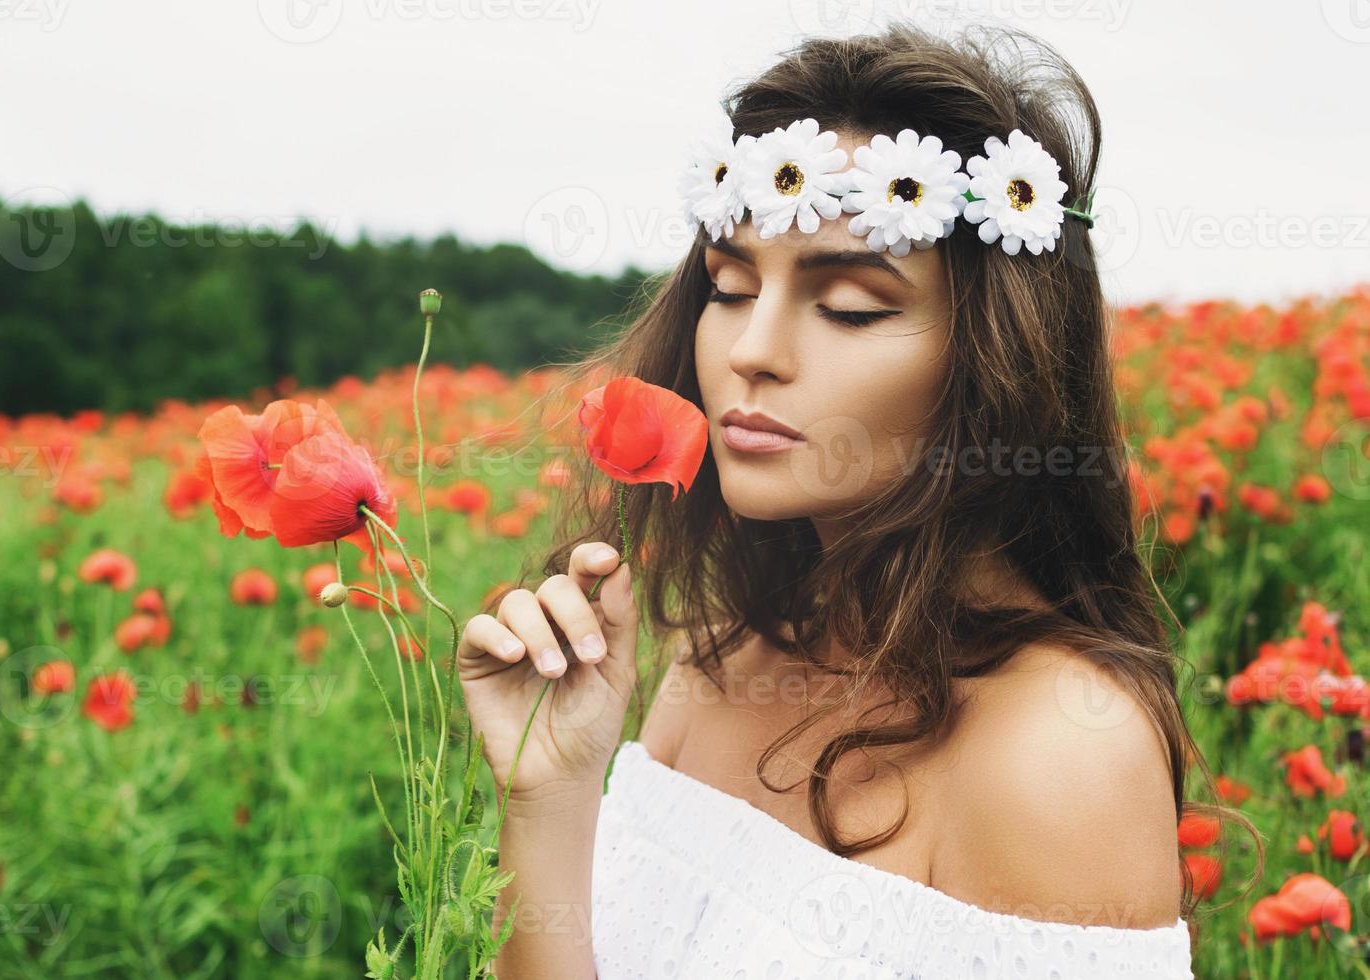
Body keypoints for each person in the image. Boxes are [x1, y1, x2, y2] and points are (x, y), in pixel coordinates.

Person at [457, 22, 1254, 979]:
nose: (753, 349)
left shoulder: (1060, 755)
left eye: (850, 308)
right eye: (730, 286)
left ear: (1000, 364)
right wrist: (548, 800)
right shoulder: (722, 655)